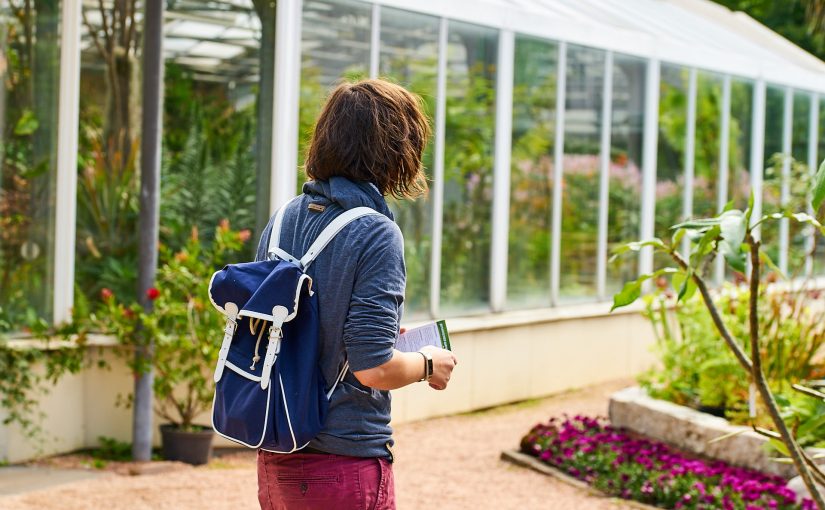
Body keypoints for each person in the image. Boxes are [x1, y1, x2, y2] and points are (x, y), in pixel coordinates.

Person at [254, 79, 458, 510]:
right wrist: (428, 364)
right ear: (396, 150)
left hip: (277, 455)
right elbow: (373, 369)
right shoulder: (377, 233)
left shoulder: (282, 220)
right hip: (343, 462)